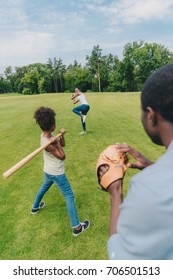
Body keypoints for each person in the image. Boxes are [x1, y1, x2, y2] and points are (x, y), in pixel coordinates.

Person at [103, 63, 173, 259]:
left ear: (150, 116)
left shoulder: (149, 188)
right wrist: (154, 166)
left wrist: (116, 194)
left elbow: (122, 262)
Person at [31, 106, 90, 236]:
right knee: (69, 195)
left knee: (44, 187)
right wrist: (55, 143)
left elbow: (62, 144)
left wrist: (60, 137)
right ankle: (77, 227)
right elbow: (62, 156)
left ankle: (35, 207)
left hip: (48, 170)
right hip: (56, 172)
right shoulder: (47, 143)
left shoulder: (46, 134)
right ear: (52, 125)